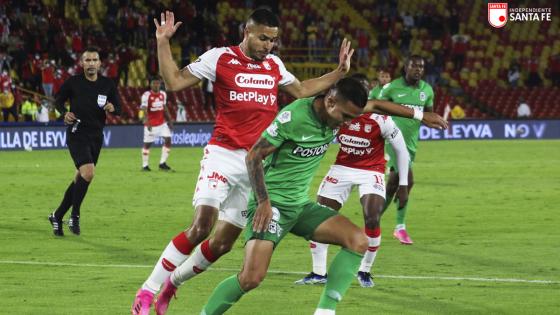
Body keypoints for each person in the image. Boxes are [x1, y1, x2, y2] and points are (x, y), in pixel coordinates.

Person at [131, 10, 447, 315]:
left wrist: (339, 73)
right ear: (247, 32)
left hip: (257, 167)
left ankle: (173, 284)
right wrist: (162, 41)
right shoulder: (220, 57)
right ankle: (147, 290)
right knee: (202, 224)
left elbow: (301, 89)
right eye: (264, 39)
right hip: (225, 153)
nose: (269, 45)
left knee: (223, 244)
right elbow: (172, 81)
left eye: (273, 40)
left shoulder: (274, 65)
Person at [201, 77, 369, 315]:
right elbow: (253, 156)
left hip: (300, 206)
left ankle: (325, 313)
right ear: (330, 101)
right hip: (272, 205)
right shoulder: (295, 117)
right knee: (251, 278)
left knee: (358, 241)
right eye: (346, 117)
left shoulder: (342, 109)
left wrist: (419, 116)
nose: (349, 124)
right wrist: (263, 202)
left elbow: (379, 105)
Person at [295, 72, 409, 288]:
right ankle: (319, 273)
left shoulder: (381, 120)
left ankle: (364, 270)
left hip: (371, 171)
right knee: (319, 216)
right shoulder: (336, 114)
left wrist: (403, 184)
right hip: (342, 168)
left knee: (372, 218)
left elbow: (401, 150)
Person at [47, 46, 121, 237]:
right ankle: (75, 215)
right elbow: (57, 101)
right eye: (87, 60)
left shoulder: (107, 84)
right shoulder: (73, 82)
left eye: (94, 60)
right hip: (77, 133)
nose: (91, 63)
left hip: (96, 136)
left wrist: (113, 107)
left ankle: (57, 215)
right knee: (88, 173)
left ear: (99, 63)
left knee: (80, 178)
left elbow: (119, 107)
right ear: (82, 63)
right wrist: (65, 113)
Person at [379, 55, 434, 245]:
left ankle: (373, 222)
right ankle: (399, 227)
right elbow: (375, 108)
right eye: (414, 66)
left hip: (411, 144)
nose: (418, 69)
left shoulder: (427, 90)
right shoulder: (391, 88)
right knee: (407, 180)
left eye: (421, 66)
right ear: (406, 67)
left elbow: (428, 113)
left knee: (394, 185)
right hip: (391, 141)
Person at [139, 77, 174, 171]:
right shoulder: (146, 95)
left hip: (162, 123)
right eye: (154, 83)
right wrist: (147, 122)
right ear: (150, 84)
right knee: (147, 145)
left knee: (168, 140)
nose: (156, 85)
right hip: (151, 124)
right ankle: (145, 165)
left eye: (158, 83)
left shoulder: (163, 94)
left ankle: (162, 163)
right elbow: (144, 109)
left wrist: (169, 121)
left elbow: (164, 108)